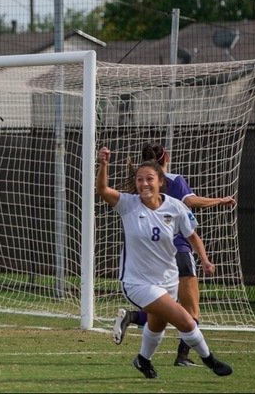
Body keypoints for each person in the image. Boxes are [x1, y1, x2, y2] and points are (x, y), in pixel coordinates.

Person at [97, 146, 232, 378]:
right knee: (185, 320)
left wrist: (205, 260)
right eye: (140, 180)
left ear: (160, 181)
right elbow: (102, 189)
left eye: (149, 179)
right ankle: (209, 359)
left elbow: (192, 235)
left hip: (168, 279)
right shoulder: (129, 204)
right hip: (138, 282)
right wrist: (104, 165)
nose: (144, 184)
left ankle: (143, 360)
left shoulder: (175, 206)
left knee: (157, 325)